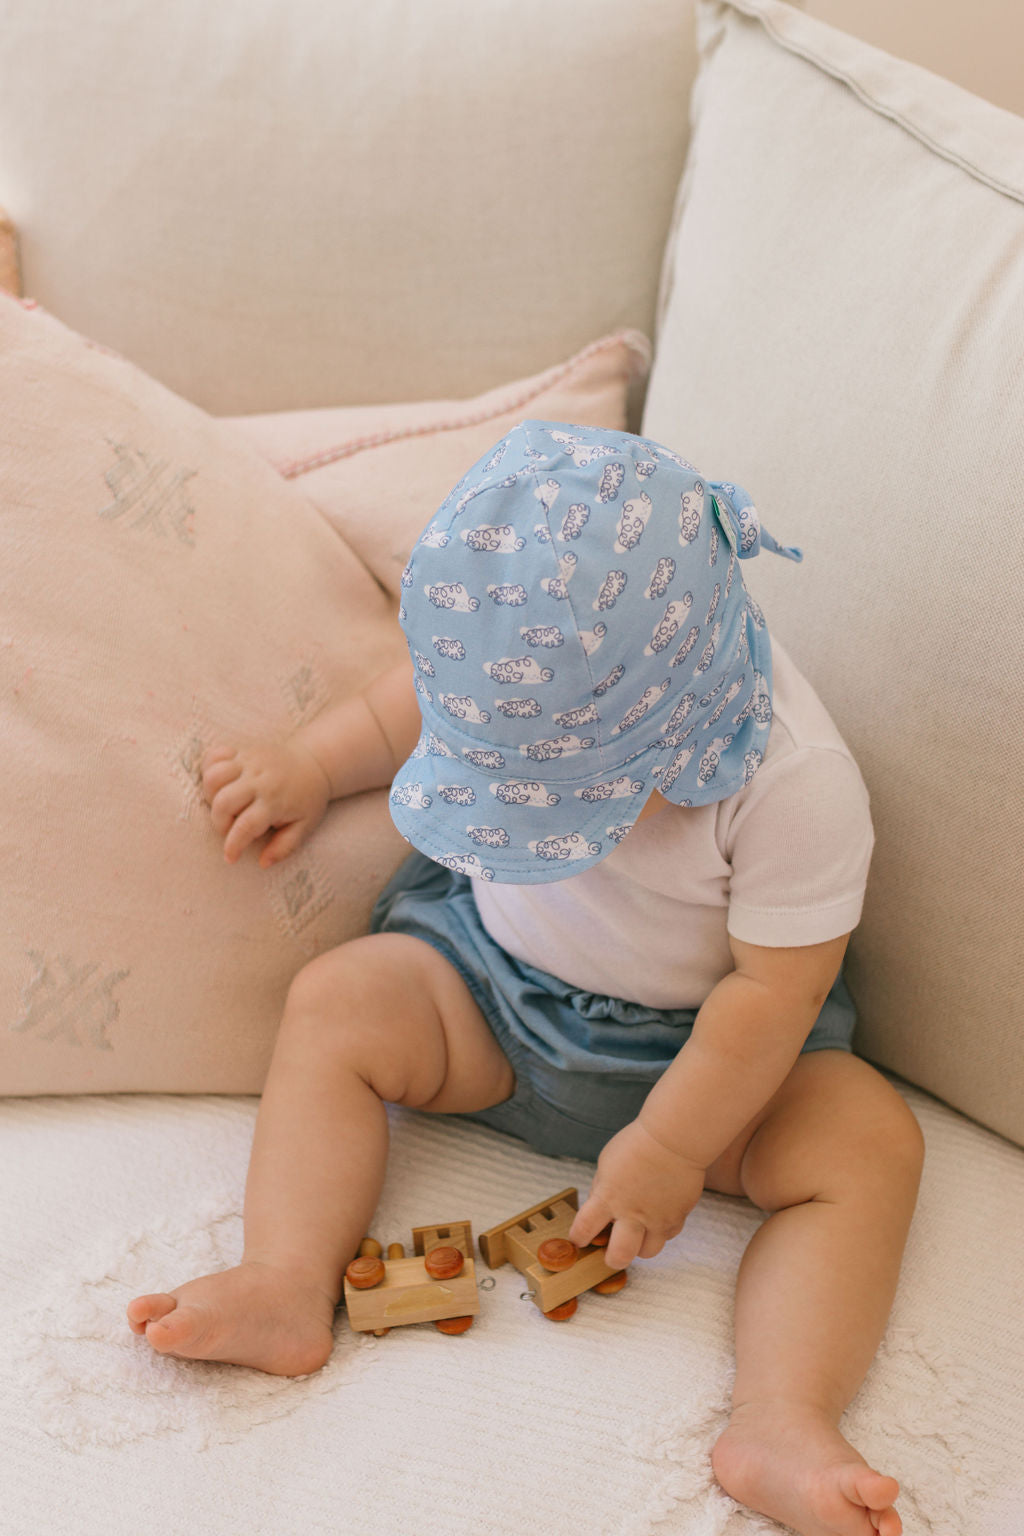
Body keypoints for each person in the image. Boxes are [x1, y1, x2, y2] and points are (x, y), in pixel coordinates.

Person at [127, 421, 923, 1536]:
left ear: (675, 737)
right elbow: (411, 704)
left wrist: (672, 1147)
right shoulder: (517, 670)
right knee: (337, 1001)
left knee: (868, 1144)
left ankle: (780, 1417)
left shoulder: (796, 785)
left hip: (702, 1063)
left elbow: (771, 999)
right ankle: (281, 1281)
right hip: (489, 994)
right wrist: (311, 763)